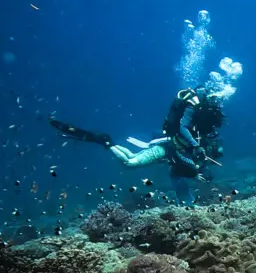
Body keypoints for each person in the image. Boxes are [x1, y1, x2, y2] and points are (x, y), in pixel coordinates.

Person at [49, 86, 225, 203]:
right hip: (165, 148)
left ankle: (106, 141)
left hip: (169, 148)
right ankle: (106, 141)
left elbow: (181, 163)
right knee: (130, 163)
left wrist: (196, 166)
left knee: (132, 158)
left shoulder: (199, 142)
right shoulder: (195, 147)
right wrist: (195, 169)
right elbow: (180, 151)